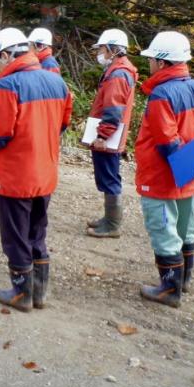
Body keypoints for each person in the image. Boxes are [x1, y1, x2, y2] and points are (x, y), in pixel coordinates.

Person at [0, 27, 72, 312]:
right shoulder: (58, 82)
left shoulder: (8, 86)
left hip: (17, 173)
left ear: (7, 54)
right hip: (46, 171)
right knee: (37, 231)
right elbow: (63, 123)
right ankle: (40, 292)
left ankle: (21, 294)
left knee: (15, 234)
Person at [134, 31, 194, 308]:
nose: (149, 64)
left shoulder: (162, 94)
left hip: (162, 177)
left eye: (151, 59)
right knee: (186, 228)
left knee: (164, 230)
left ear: (161, 62)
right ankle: (183, 281)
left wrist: (193, 165)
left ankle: (170, 289)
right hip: (191, 176)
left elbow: (166, 141)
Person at [85, 29, 138, 238]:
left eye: (102, 49)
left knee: (109, 177)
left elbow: (113, 109)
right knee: (109, 175)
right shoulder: (119, 70)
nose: (100, 53)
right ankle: (109, 219)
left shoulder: (117, 74)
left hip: (109, 136)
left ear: (113, 50)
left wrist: (103, 135)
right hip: (112, 135)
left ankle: (112, 225)